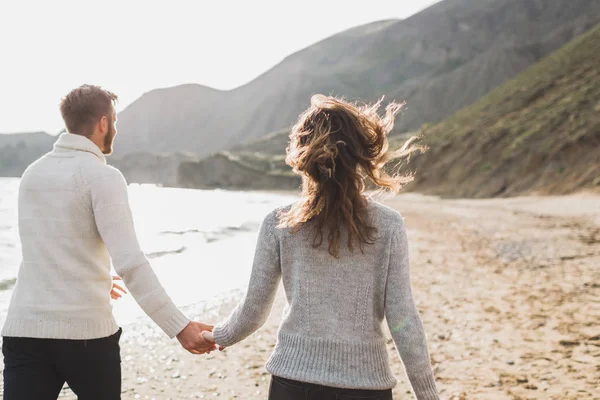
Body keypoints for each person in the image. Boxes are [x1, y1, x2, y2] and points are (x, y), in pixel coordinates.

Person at [203, 95, 440, 399]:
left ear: (302, 156)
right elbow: (403, 318)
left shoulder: (280, 223)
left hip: (294, 383)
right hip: (365, 386)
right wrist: (428, 395)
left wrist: (216, 336)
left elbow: (254, 311)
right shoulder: (389, 225)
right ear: (360, 155)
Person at [1, 84, 215, 400]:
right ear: (103, 122)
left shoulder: (32, 174)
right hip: (86, 336)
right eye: (114, 120)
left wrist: (94, 277)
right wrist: (180, 327)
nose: (114, 128)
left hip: (23, 331)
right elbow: (130, 263)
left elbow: (48, 249)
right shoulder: (103, 176)